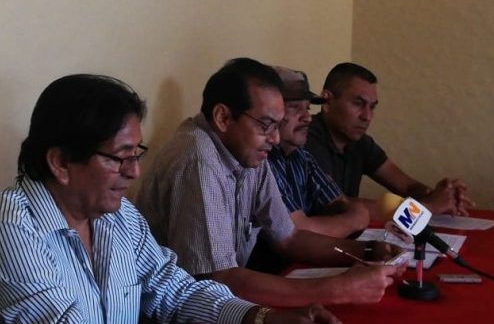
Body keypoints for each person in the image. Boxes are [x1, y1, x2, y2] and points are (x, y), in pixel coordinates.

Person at [0, 74, 342, 324]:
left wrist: (263, 318)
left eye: (137, 154)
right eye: (120, 158)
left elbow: (175, 291)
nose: (133, 172)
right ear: (61, 162)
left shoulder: (117, 217)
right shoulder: (11, 229)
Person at [137, 58, 404, 308]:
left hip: (221, 303)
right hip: (179, 318)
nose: (275, 139)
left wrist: (367, 251)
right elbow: (217, 279)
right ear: (223, 118)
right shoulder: (199, 159)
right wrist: (335, 289)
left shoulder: (248, 149)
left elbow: (288, 237)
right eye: (266, 125)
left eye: (277, 126)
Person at [305, 62, 473, 217]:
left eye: (372, 107)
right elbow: (338, 205)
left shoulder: (360, 142)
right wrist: (426, 207)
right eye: (358, 103)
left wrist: (441, 195)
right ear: (327, 101)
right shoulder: (305, 138)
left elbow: (407, 186)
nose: (367, 116)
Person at [267, 66, 369, 238]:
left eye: (307, 108)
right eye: (294, 107)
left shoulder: (301, 156)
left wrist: (353, 214)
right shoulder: (263, 161)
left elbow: (339, 202)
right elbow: (295, 232)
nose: (307, 117)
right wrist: (355, 219)